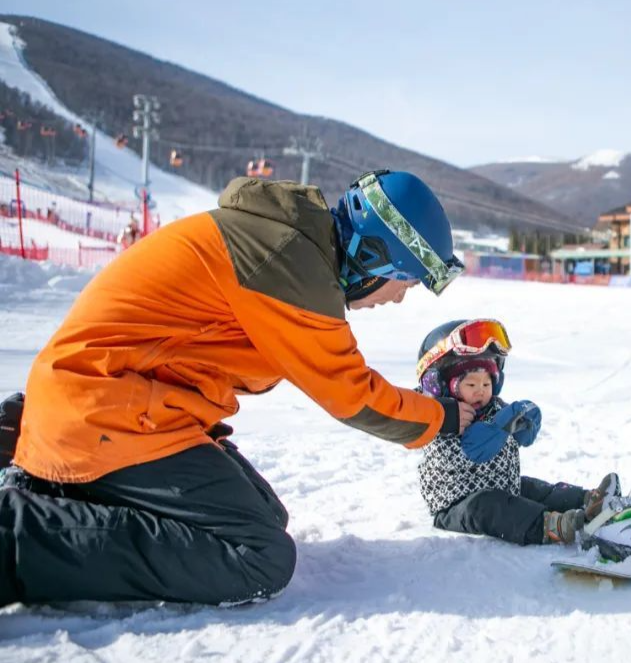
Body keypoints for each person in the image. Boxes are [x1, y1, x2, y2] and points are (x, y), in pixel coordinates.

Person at [0, 169, 469, 606]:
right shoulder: (289, 261)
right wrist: (442, 417)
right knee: (257, 555)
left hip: (122, 405)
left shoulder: (290, 247)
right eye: (404, 281)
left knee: (265, 516)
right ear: (373, 255)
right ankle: (17, 537)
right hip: (99, 407)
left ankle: (51, 472)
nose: (399, 297)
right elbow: (352, 394)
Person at [415, 318, 620, 546]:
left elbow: (512, 432)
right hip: (458, 505)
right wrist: (501, 426)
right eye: (471, 385)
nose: (481, 392)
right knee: (492, 507)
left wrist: (525, 424)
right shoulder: (439, 417)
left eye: (487, 384)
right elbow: (473, 449)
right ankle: (554, 526)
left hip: (500, 482)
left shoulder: (491, 406)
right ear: (440, 385)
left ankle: (590, 500)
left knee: (535, 489)